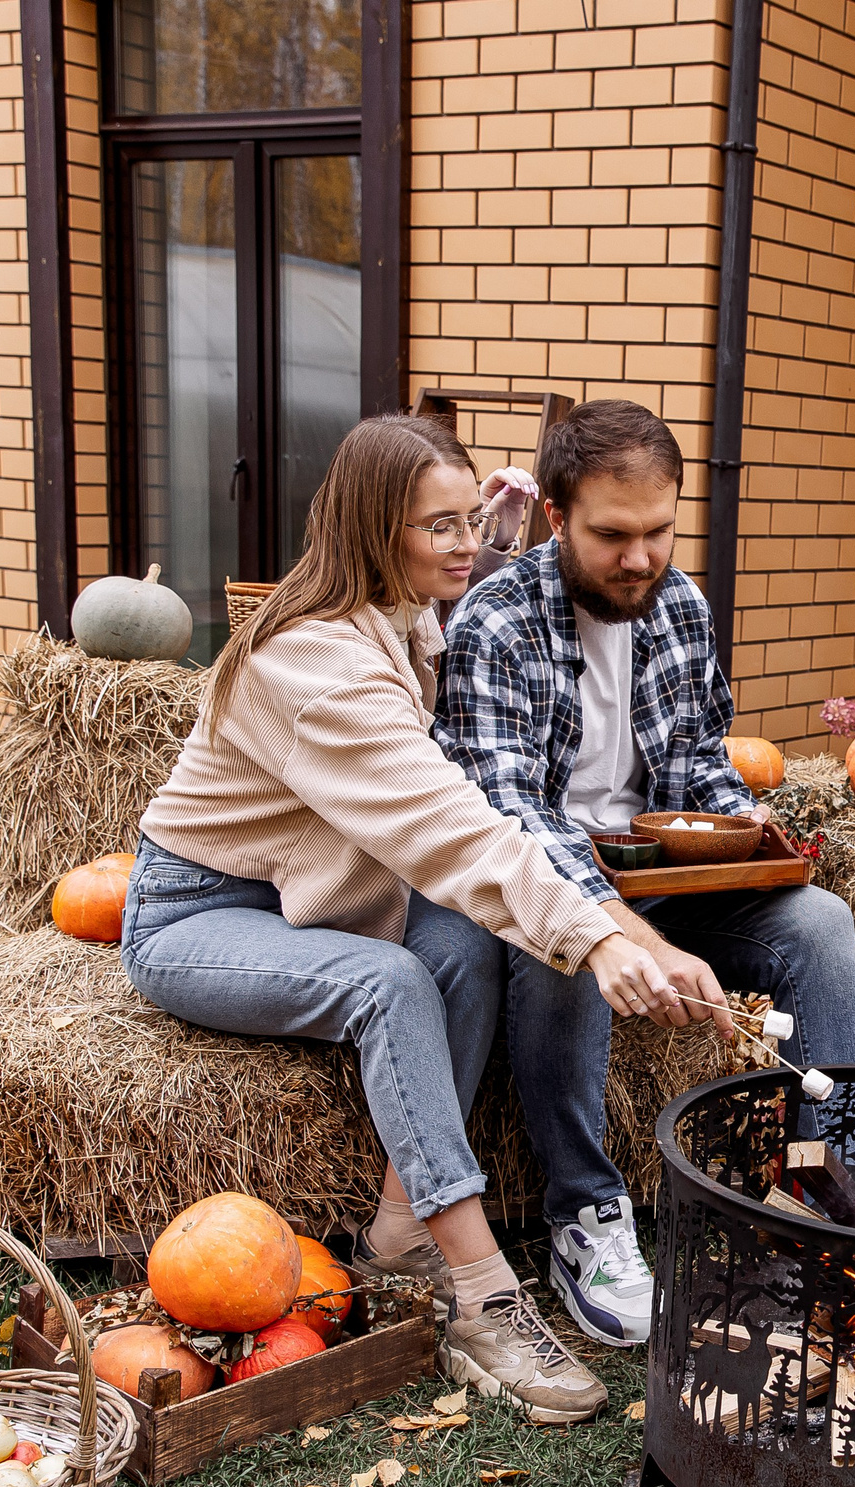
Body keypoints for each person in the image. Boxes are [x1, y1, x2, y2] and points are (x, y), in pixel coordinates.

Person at [118, 412, 696, 1426]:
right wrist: (601, 933)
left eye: (473, 519)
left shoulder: (398, 607)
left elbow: (468, 562)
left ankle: (397, 1234)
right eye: (440, 526)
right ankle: (480, 1296)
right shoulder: (318, 668)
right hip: (200, 913)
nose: (468, 545)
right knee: (391, 982)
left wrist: (487, 524)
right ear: (374, 529)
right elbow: (452, 832)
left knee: (466, 940)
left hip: (310, 892)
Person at [440, 398, 855, 1350]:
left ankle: (841, 1187)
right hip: (540, 882)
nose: (640, 558)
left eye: (659, 531)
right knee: (561, 942)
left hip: (658, 875)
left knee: (819, 922)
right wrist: (614, 929)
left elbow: (698, 761)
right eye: (612, 536)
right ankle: (586, 1214)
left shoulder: (679, 604)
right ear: (556, 516)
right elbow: (512, 822)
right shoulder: (494, 625)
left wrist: (741, 824)